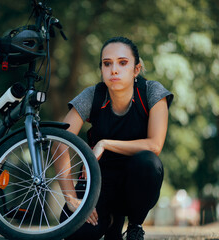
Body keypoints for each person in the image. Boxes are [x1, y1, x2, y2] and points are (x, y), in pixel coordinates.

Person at [61, 36, 173, 240]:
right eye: (107, 64)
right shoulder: (92, 95)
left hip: (136, 178)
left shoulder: (152, 92)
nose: (114, 70)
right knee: (74, 232)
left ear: (136, 69)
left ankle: (134, 226)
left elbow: (154, 145)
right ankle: (112, 222)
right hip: (98, 181)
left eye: (122, 63)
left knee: (149, 162)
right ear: (102, 69)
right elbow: (61, 141)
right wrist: (71, 198)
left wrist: (105, 143)